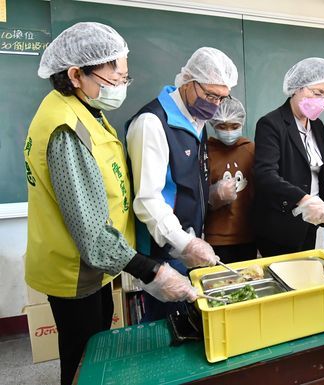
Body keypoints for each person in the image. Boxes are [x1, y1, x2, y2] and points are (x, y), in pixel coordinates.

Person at [24, 22, 199, 385]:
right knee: (84, 361)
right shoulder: (66, 129)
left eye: (124, 77)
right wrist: (152, 271)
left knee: (96, 351)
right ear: (76, 74)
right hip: (74, 269)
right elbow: (91, 233)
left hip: (92, 266)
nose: (121, 85)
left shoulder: (84, 110)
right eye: (115, 76)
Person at [126, 47, 234, 320]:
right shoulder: (152, 123)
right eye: (210, 95)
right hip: (164, 249)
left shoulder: (198, 120)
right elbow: (148, 200)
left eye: (222, 98)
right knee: (167, 329)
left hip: (188, 240)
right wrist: (184, 243)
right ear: (187, 82)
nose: (215, 104)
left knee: (190, 323)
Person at [254, 57, 324, 257]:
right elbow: (265, 174)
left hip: (311, 219)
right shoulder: (271, 124)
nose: (322, 100)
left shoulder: (317, 125)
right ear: (297, 88)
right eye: (317, 93)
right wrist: (303, 199)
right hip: (282, 223)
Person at [204, 97, 256, 262]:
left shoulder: (251, 150)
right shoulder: (205, 151)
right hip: (216, 237)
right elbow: (195, 196)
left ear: (241, 123)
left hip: (248, 234)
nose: (228, 132)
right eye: (222, 126)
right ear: (213, 124)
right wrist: (214, 195)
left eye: (234, 126)